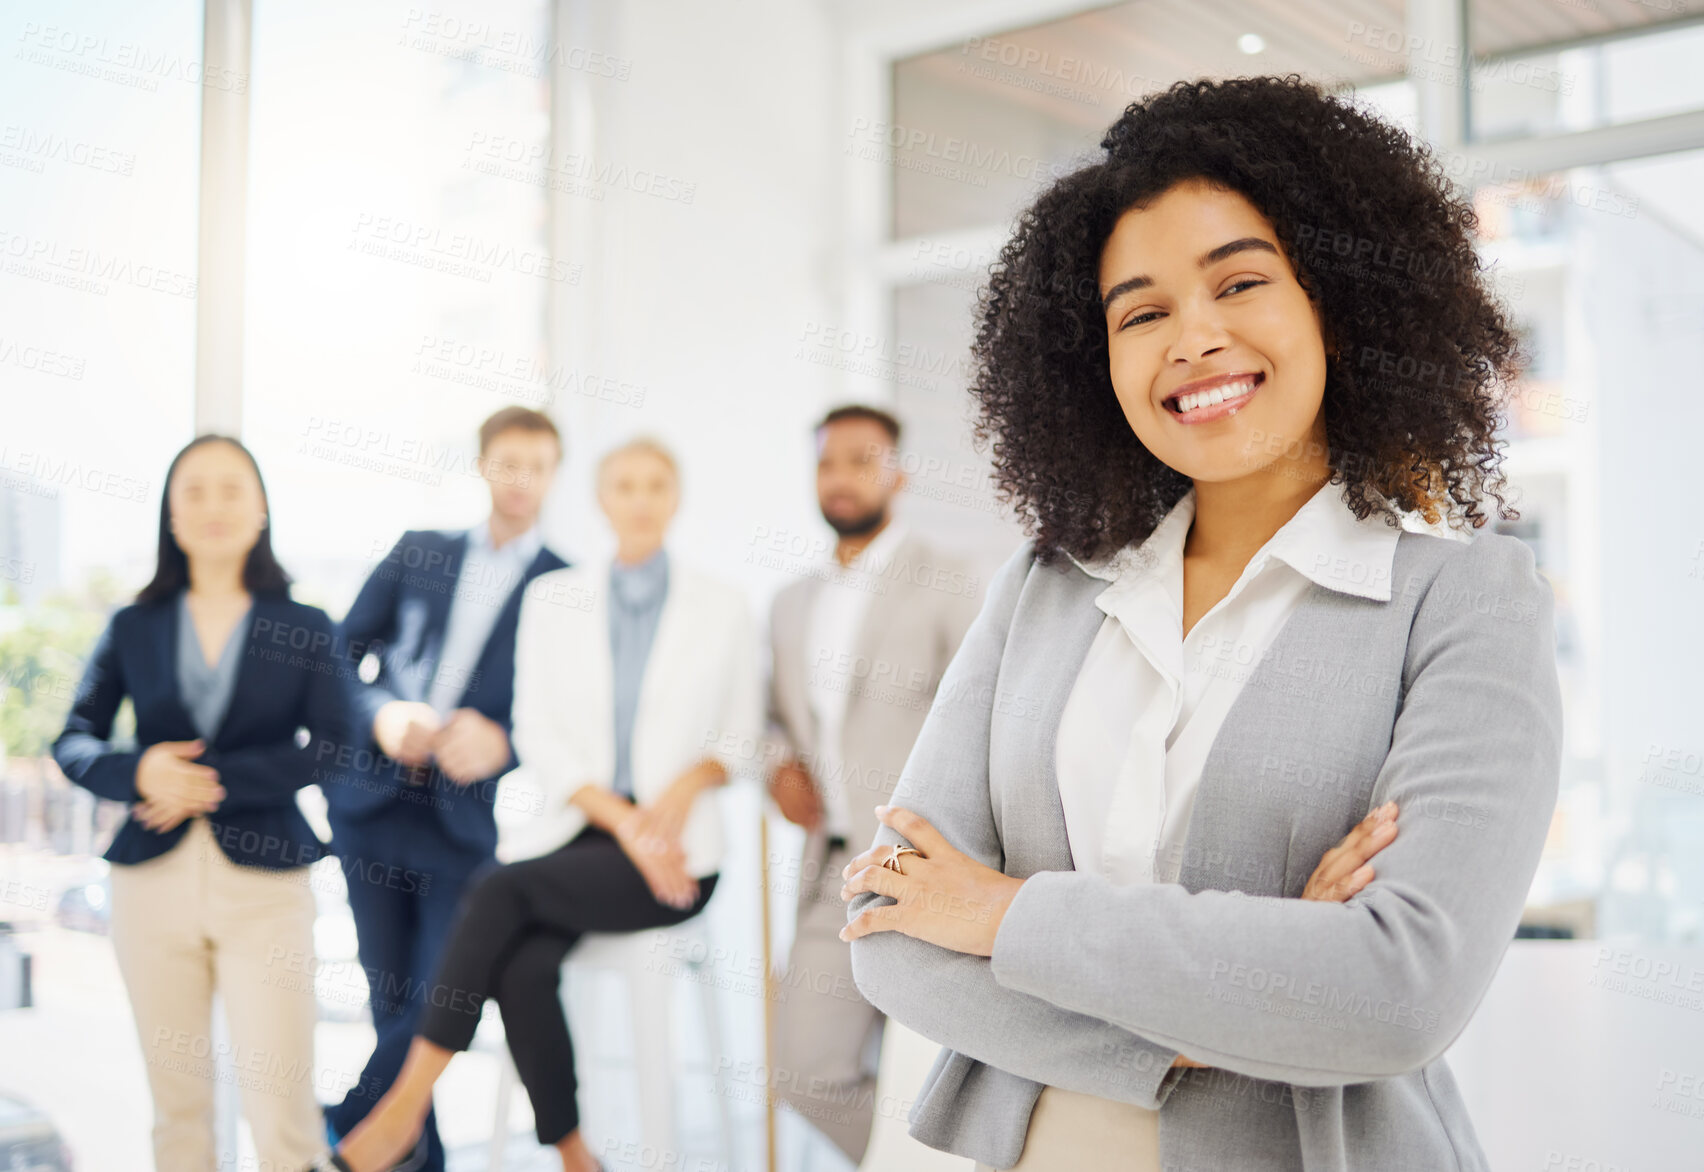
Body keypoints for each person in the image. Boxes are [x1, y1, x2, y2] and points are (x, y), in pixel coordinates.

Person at [841, 75, 1561, 1171]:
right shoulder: (1045, 589)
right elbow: (893, 930)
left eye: (1240, 282)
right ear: (1097, 362)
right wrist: (1243, 1004)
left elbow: (1395, 990)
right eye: (1141, 312)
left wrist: (1003, 915)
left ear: (1338, 298)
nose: (1195, 337)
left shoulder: (1465, 604)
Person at [305, 437, 763, 1172]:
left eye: (656, 484)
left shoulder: (724, 606)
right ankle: (577, 1156)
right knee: (517, 966)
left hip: (678, 856)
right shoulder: (557, 600)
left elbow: (742, 736)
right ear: (600, 498)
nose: (640, 499)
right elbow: (541, 732)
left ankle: (397, 1117)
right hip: (581, 836)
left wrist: (672, 800)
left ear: (675, 497)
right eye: (623, 485)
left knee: (498, 891)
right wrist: (622, 821)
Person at [53, 435, 351, 1170]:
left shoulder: (305, 624)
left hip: (267, 887)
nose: (213, 506)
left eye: (231, 489)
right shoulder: (133, 626)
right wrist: (142, 770)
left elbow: (338, 746)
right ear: (170, 516)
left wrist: (213, 780)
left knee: (282, 1112)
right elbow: (75, 741)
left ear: (261, 511)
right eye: (194, 491)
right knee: (177, 1113)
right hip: (149, 883)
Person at [322, 407, 569, 1171]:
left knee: (440, 1001)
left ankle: (343, 1123)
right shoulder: (418, 549)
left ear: (554, 473)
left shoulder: (567, 585)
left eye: (538, 463)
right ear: (484, 466)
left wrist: (508, 742)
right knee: (389, 1003)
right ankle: (415, 1160)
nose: (521, 478)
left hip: (462, 827)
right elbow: (336, 652)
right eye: (508, 461)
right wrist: (383, 712)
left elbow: (568, 715)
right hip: (372, 806)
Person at [763, 404, 983, 1161]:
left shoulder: (951, 580)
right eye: (828, 463)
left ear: (898, 473)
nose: (842, 478)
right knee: (803, 1071)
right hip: (832, 869)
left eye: (862, 460)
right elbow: (770, 719)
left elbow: (990, 716)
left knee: (934, 1075)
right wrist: (775, 767)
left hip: (923, 864)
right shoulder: (791, 603)